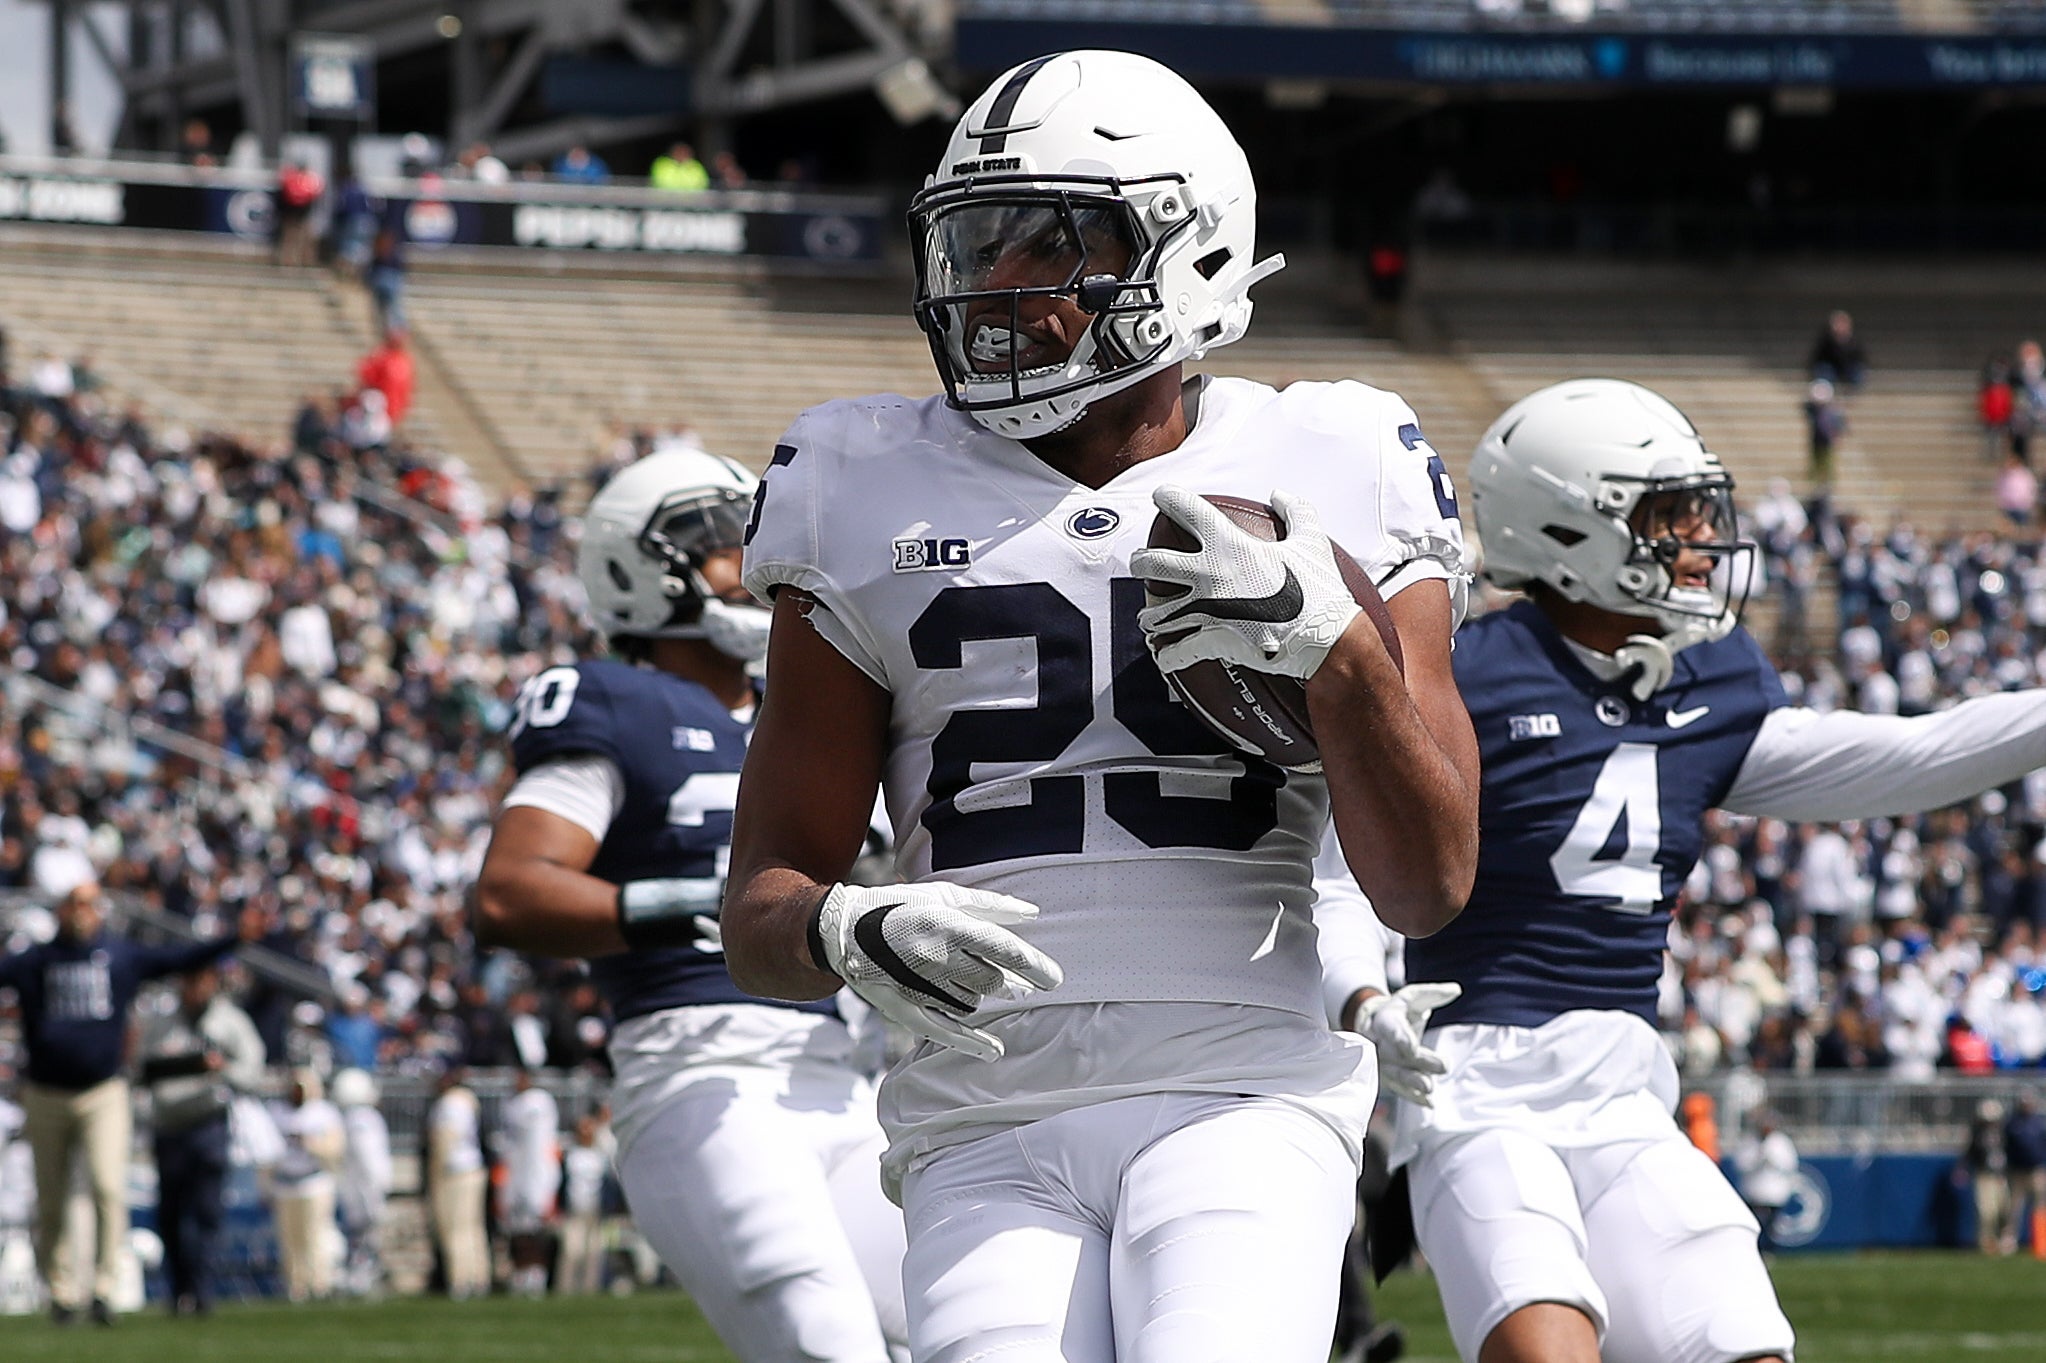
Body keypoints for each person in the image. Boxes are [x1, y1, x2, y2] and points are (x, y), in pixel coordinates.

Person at [722, 49, 1478, 1363]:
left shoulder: (1327, 456)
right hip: (975, 1114)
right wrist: (842, 923)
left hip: (1241, 1086)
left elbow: (1427, 881)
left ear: (1186, 251)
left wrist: (1337, 653)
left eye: (1045, 243)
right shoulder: (857, 479)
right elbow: (759, 903)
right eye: (977, 243)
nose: (996, 286)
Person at [1328, 376, 2046, 1363]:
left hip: (1627, 1093)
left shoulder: (1707, 678)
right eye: (1669, 516)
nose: (1702, 540)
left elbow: (1913, 755)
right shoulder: (1468, 670)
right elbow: (1335, 849)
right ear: (1572, 529)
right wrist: (1364, 992)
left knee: (1748, 1351)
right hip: (1474, 1086)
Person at [471, 447, 911, 1361]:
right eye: (723, 544)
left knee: (952, 1329)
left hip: (845, 1076)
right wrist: (670, 901)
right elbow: (512, 890)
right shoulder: (612, 699)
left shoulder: (809, 702)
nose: (748, 564)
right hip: (703, 1073)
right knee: (829, 1343)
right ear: (645, 567)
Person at [0, 884, 260, 1325]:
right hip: (45, 1092)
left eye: (90, 903)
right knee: (51, 1198)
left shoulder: (120, 956)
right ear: (62, 910)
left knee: (107, 1187)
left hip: (104, 1091)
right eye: (75, 903)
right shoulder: (37, 961)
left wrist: (236, 938)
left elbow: (183, 959)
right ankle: (62, 1295)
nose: (83, 913)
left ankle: (103, 1290)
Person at [138, 962, 265, 1316]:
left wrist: (219, 1067)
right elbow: (140, 1071)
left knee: (206, 1212)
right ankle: (178, 1293)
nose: (194, 988)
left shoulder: (230, 1022)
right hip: (169, 1125)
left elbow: (252, 1072)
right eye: (188, 980)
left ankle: (201, 1292)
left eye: (201, 980)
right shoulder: (161, 1023)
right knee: (172, 1214)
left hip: (208, 1124)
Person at [268, 1068, 344, 1301]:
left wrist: (311, 1144)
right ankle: (295, 1285)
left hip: (314, 1181)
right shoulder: (276, 1112)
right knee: (290, 1238)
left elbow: (336, 1148)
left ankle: (319, 1283)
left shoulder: (324, 1113)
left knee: (316, 1236)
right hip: (285, 1182)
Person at [425, 1066, 490, 1300]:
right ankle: (478, 1278)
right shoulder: (466, 1102)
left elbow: (444, 1140)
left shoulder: (449, 1104)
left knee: (456, 1229)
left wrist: (435, 1175)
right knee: (473, 1228)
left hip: (455, 1172)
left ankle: (461, 1280)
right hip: (472, 1169)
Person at [497, 1071, 560, 1298]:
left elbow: (541, 1148)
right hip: (517, 1175)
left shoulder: (539, 1102)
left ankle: (537, 1273)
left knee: (536, 1231)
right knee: (518, 1230)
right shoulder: (512, 1104)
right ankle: (521, 1271)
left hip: (537, 1175)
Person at [331, 1068, 392, 1297]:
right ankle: (360, 1276)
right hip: (362, 1187)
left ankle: (362, 1274)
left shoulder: (358, 1118)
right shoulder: (362, 1119)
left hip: (361, 1187)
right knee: (362, 1235)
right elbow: (367, 1158)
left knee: (363, 1235)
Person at [557, 1113, 609, 1295]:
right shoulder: (571, 1156)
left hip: (594, 1210)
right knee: (571, 1250)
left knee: (593, 1252)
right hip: (574, 1211)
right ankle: (566, 1287)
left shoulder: (600, 1157)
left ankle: (590, 1287)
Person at [1735, 1111, 1799, 1254]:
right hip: (1753, 1191)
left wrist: (1773, 1161)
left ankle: (1770, 1250)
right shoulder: (1749, 1141)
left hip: (1774, 1192)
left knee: (1771, 1225)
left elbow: (1790, 1164)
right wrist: (1757, 1160)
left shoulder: (1781, 1142)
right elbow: (1740, 1164)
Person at [1966, 1099, 2015, 1254]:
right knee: (1987, 1211)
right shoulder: (1978, 1133)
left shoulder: (2005, 1133)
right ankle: (1987, 1241)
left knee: (2005, 1209)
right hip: (1984, 1175)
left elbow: (2012, 1152)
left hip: (2001, 1176)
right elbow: (1970, 1153)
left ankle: (2005, 1240)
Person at [1808, 308, 1867, 389]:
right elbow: (1818, 357)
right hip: (1831, 368)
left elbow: (1860, 357)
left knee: (1857, 372)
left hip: (1847, 368)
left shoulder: (1853, 340)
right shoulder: (1825, 339)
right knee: (1824, 371)